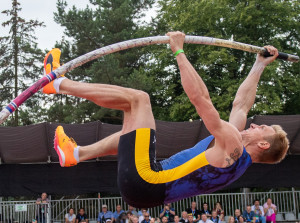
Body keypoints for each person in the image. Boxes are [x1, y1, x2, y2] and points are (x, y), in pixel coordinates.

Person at [47, 31, 289, 208]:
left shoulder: (233, 144)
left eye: (263, 128)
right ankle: (76, 154)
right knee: (134, 132)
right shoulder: (235, 150)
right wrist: (259, 65)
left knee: (138, 100)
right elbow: (241, 104)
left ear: (264, 145)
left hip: (146, 181)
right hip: (145, 190)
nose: (256, 124)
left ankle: (57, 83)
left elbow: (200, 100)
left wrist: (179, 51)